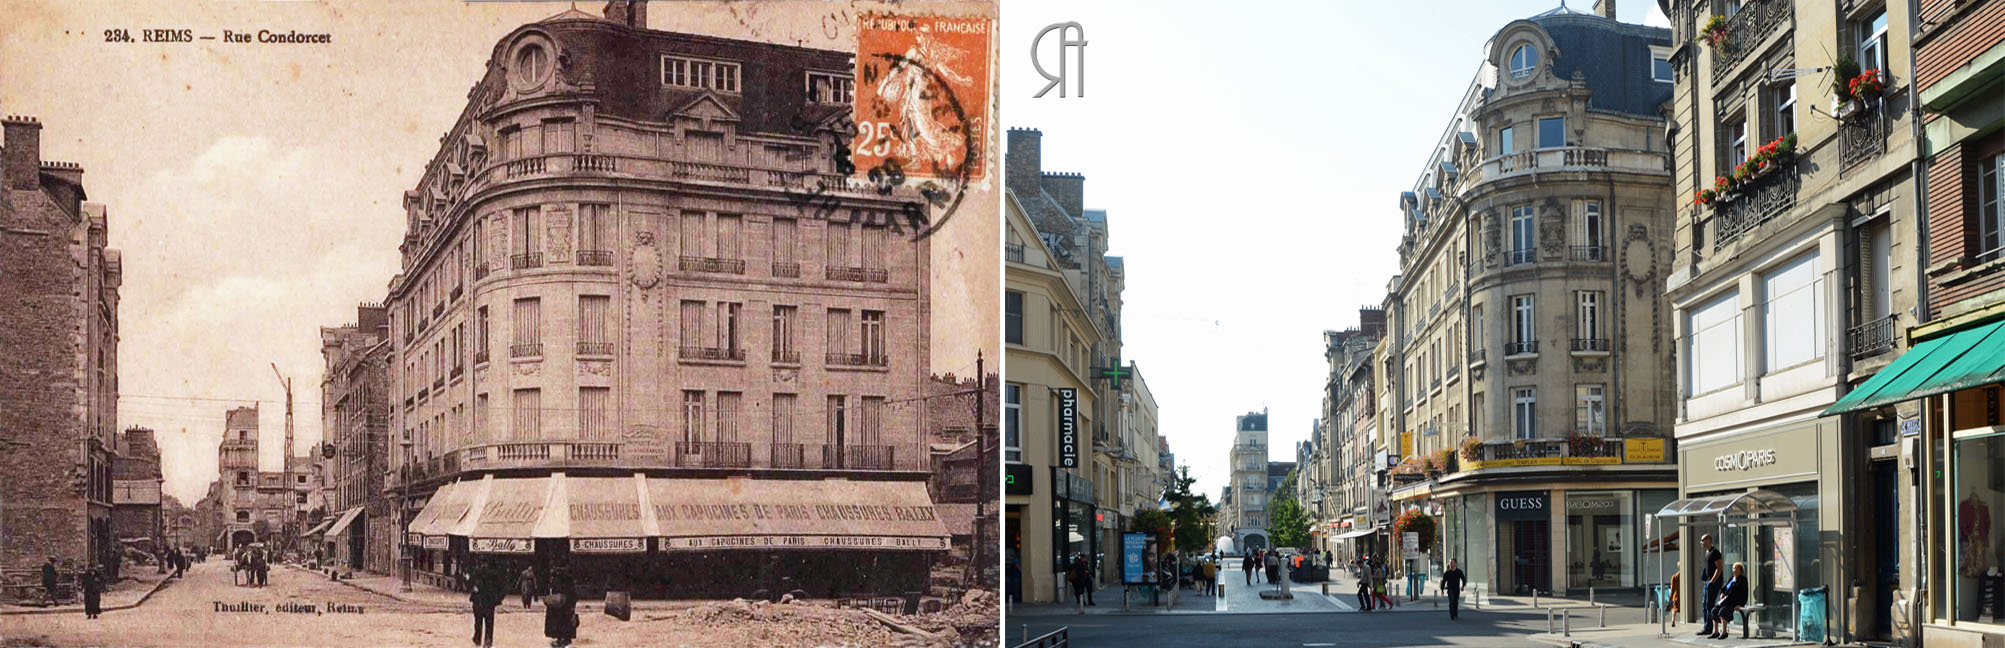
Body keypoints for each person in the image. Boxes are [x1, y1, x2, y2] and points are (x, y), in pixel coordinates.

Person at [469, 559, 504, 648]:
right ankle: (487, 641)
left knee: (478, 622)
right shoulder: (494, 575)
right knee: (489, 623)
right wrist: (497, 600)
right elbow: (502, 589)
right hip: (488, 602)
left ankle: (478, 639)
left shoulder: (477, 573)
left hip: (479, 601)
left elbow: (469, 583)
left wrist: (472, 589)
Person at [1710, 562, 1749, 640]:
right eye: (1733, 568)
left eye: (1736, 568)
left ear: (1741, 570)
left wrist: (1741, 604)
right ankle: (1716, 631)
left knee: (1722, 611)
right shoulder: (1731, 578)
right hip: (1725, 601)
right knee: (1714, 610)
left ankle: (1724, 632)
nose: (1734, 570)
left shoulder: (1742, 579)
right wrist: (1722, 593)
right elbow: (1724, 588)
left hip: (1734, 602)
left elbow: (1744, 593)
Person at [543, 567, 578, 648]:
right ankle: (563, 639)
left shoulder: (559, 583)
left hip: (563, 605)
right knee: (563, 623)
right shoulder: (566, 583)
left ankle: (563, 639)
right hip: (564, 605)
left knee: (561, 623)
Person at [1697, 534, 1722, 637]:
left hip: (1713, 582)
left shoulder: (1715, 552)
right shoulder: (1707, 552)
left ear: (1708, 540)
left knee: (1709, 604)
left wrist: (1712, 581)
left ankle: (1709, 628)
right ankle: (1707, 626)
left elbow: (1719, 568)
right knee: (1705, 604)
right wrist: (1705, 580)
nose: (1701, 542)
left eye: (1702, 540)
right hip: (1707, 581)